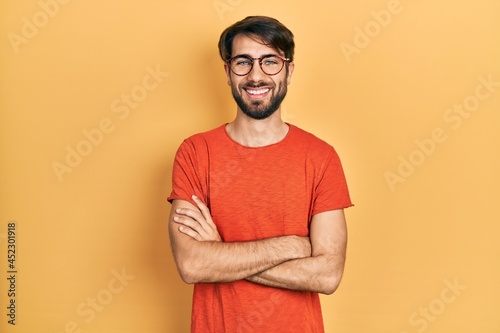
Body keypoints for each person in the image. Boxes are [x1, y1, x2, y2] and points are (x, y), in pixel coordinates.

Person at [167, 15, 353, 333]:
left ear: (289, 70)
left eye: (270, 62)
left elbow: (327, 275)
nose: (256, 76)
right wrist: (292, 246)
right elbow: (193, 264)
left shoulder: (321, 157)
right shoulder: (195, 153)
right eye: (243, 62)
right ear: (227, 72)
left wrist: (220, 250)